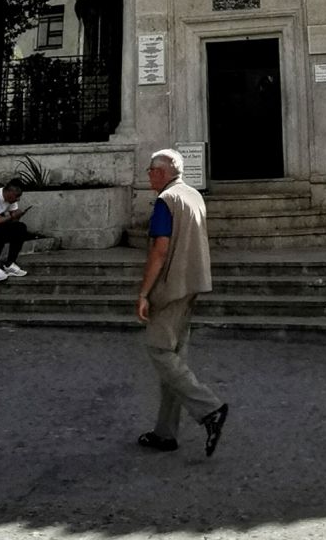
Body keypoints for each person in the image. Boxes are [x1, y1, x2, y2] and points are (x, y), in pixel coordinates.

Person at [135, 148, 228, 458]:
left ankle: (209, 408)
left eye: (150, 170)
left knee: (159, 350)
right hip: (193, 284)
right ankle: (165, 432)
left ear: (161, 172)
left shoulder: (166, 200)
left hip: (172, 286)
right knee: (175, 358)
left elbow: (160, 250)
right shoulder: (193, 195)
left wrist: (144, 293)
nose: (148, 175)